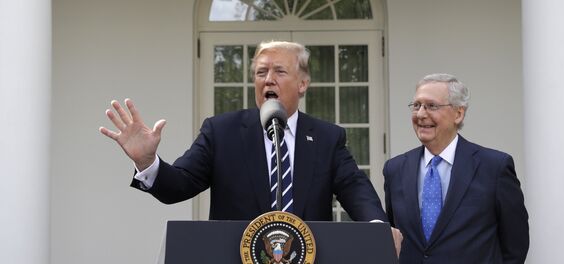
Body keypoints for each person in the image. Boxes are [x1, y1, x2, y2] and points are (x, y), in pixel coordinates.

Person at [99, 40, 394, 224]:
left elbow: (357, 191)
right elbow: (178, 185)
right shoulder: (221, 131)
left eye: (280, 72)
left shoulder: (327, 138)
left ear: (303, 83)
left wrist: (378, 227)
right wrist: (147, 162)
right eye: (261, 72)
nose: (268, 80)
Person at [383, 73, 529, 263]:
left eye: (431, 106)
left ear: (458, 114)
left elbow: (515, 244)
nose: (420, 114)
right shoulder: (395, 169)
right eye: (416, 105)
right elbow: (395, 236)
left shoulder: (494, 167)